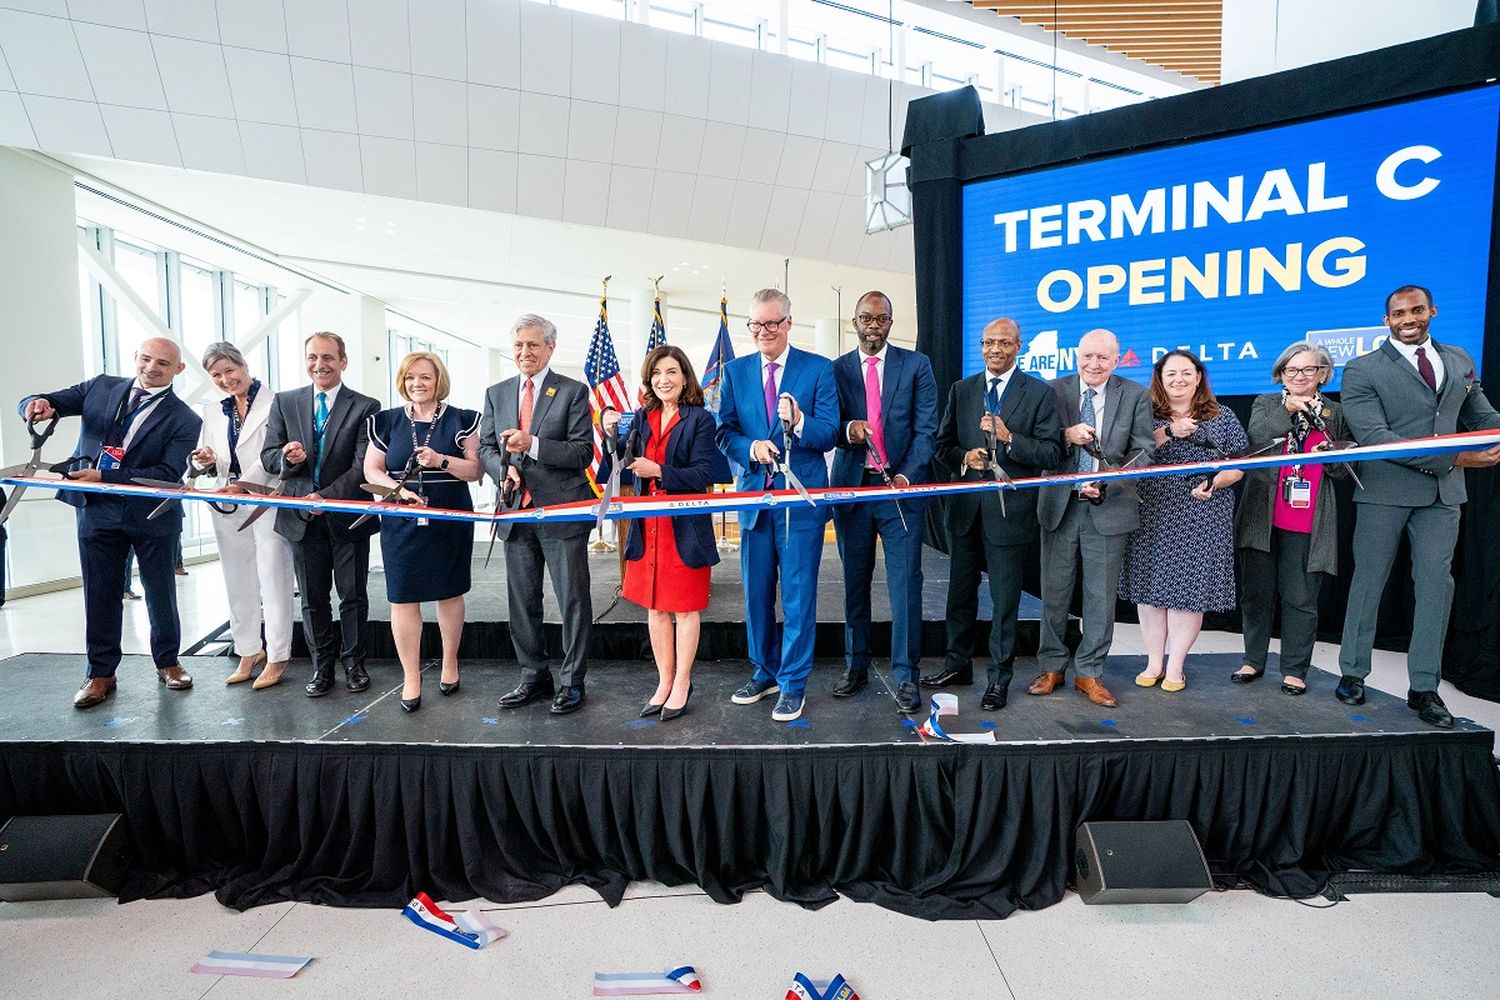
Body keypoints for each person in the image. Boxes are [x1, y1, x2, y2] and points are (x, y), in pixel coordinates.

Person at [1336, 284, 1500, 728]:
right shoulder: (1360, 369)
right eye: (1399, 313)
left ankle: (1424, 688)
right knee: (1369, 582)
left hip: (1444, 496)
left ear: (1432, 311)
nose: (1409, 318)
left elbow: (1481, 415)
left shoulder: (1460, 359)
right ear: (1386, 319)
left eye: (1417, 310)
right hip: (1385, 491)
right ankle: (1353, 673)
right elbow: (1375, 440)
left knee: (1435, 588)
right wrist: (1457, 456)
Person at [19, 337, 202, 709]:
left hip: (152, 515)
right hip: (95, 510)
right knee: (100, 592)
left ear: (178, 370)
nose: (152, 367)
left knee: (160, 592)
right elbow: (44, 400)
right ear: (136, 357)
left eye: (163, 364)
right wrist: (35, 405)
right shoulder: (99, 387)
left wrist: (107, 476)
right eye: (147, 359)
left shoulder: (186, 419)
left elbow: (167, 474)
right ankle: (100, 672)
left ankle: (168, 663)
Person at [925, 318, 1063, 711]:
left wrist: (1010, 440)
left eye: (1004, 343)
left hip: (1011, 513)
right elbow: (943, 445)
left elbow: (1052, 453)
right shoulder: (963, 389)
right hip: (967, 509)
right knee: (960, 595)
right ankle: (958, 664)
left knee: (1004, 602)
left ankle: (999, 679)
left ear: (1019, 346)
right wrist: (964, 459)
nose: (995, 350)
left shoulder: (1038, 393)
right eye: (988, 343)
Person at [716, 288, 839, 723]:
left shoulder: (818, 369)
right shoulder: (735, 372)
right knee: (756, 595)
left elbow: (829, 432)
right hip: (754, 499)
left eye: (771, 323)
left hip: (800, 501)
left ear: (789, 323)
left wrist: (799, 422)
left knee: (799, 597)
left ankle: (793, 682)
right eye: (755, 325)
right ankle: (764, 670)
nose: (762, 332)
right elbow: (724, 431)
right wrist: (751, 447)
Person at [479, 314, 595, 715]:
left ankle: (572, 682)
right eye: (518, 346)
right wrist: (502, 469)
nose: (524, 353)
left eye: (532, 345)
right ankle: (533, 676)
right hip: (516, 511)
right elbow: (486, 449)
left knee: (573, 602)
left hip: (562, 512)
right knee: (522, 602)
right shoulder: (496, 393)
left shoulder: (573, 391)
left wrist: (533, 444)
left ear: (550, 348)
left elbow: (583, 452)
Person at [1031, 329, 1153, 708]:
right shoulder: (1052, 391)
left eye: (1103, 358)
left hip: (1109, 507)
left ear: (1116, 361)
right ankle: (1051, 666)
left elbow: (1145, 451)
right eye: (1087, 356)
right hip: (1060, 506)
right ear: (1076, 356)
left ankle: (1089, 672)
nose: (1093, 364)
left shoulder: (1135, 395)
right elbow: (1039, 443)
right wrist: (1066, 435)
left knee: (1100, 598)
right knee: (1054, 593)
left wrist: (1107, 481)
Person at [829, 291, 937, 714]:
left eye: (881, 318)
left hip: (899, 492)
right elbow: (825, 426)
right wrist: (846, 429)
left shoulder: (916, 365)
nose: (873, 325)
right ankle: (855, 665)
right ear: (854, 322)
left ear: (891, 323)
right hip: (853, 492)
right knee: (854, 584)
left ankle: (906, 675)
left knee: (905, 585)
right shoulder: (835, 370)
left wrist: (906, 475)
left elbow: (926, 429)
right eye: (865, 318)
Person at [600, 345, 720, 721]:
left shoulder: (700, 419)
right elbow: (618, 463)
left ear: (684, 377)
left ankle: (683, 681)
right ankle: (664, 681)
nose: (663, 380)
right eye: (656, 374)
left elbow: (704, 474)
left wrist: (660, 471)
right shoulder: (641, 415)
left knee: (685, 610)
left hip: (683, 528)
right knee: (654, 608)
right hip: (646, 526)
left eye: (670, 372)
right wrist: (608, 436)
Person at [260, 332, 381, 698]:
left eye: (328, 357)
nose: (319, 364)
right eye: (313, 357)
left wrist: (325, 496)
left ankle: (354, 665)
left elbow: (364, 466)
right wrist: (286, 458)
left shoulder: (365, 406)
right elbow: (268, 458)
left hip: (346, 515)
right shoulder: (285, 402)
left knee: (353, 596)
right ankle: (321, 667)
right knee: (312, 599)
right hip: (300, 518)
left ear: (343, 361)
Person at [1118, 349, 1247, 692]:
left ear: (1199, 376)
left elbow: (1239, 464)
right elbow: (1132, 455)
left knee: (1187, 591)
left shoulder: (1222, 416)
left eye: (1186, 373)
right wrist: (1171, 431)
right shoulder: (1145, 415)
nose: (1179, 379)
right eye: (1171, 373)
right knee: (1151, 589)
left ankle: (1175, 667)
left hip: (1202, 512)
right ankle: (1153, 661)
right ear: (1159, 379)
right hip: (1151, 510)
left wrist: (1215, 481)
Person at [364, 352, 482, 713]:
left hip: (449, 516)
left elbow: (475, 470)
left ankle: (449, 663)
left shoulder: (464, 419)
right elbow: (372, 470)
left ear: (438, 380)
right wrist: (400, 492)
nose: (418, 383)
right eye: (411, 377)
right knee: (402, 597)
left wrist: (442, 461)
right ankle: (411, 676)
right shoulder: (384, 422)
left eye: (426, 377)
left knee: (448, 592)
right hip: (402, 518)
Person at [1233, 342, 1349, 696]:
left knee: (1300, 598)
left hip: (1309, 519)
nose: (1299, 376)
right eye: (1291, 370)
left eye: (1308, 370)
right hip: (1261, 517)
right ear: (1281, 374)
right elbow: (1255, 441)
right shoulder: (1266, 404)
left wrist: (1331, 454)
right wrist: (1288, 410)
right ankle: (1253, 659)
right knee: (1256, 594)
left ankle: (1295, 669)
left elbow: (1345, 469)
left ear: (1323, 375)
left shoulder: (1336, 413)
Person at [189, 342, 297, 690]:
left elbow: (278, 452)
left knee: (274, 578)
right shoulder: (212, 412)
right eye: (216, 375)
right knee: (237, 580)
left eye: (229, 371)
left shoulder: (279, 401)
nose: (225, 379)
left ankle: (278, 654)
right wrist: (205, 460)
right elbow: (208, 459)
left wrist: (246, 483)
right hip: (225, 501)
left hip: (266, 499)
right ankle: (248, 649)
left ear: (243, 365)